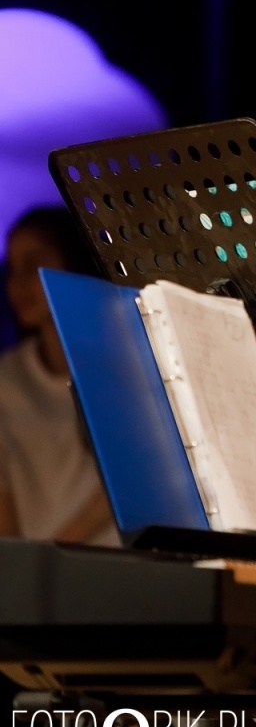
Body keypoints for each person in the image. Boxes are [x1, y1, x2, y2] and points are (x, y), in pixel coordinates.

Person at [0, 205, 117, 546]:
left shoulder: (124, 366)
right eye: (13, 269)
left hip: (114, 564)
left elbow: (136, 478)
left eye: (34, 265)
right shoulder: (7, 380)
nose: (20, 284)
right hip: (39, 569)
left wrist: (52, 552)